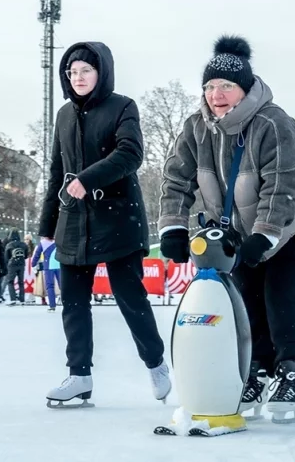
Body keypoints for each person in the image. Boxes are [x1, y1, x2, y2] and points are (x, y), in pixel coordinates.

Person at [159, 35, 295, 421]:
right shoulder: (196, 128)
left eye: (226, 86)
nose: (216, 94)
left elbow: (282, 185)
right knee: (247, 296)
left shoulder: (274, 123)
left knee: (283, 294)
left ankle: (290, 371)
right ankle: (258, 369)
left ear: (245, 89)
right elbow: (176, 180)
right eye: (210, 86)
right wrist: (172, 227)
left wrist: (265, 235)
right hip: (241, 221)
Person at [38, 41, 169, 407]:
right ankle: (79, 375)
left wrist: (87, 179)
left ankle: (155, 363)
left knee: (130, 298)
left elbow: (130, 153)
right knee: (74, 303)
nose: (78, 77)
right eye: (72, 72)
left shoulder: (122, 107)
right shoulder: (64, 115)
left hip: (117, 218)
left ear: (101, 73)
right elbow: (55, 172)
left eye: (85, 71)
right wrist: (46, 226)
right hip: (73, 222)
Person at [32, 236, 60, 311]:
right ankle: (68, 303)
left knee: (50, 286)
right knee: (62, 285)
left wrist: (33, 264)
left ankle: (52, 306)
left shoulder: (43, 242)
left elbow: (37, 254)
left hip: (48, 266)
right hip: (59, 265)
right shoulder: (59, 239)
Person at [3, 230, 29, 305]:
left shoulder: (9, 245)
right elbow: (26, 255)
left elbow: (6, 257)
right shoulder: (23, 244)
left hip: (12, 265)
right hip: (21, 265)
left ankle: (13, 299)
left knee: (10, 282)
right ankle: (22, 299)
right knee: (21, 282)